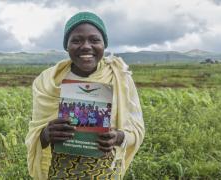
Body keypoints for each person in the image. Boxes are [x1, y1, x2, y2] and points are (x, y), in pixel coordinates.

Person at [25, 11, 145, 179]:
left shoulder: (120, 77)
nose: (86, 46)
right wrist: (46, 134)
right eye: (76, 40)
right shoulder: (48, 81)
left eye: (95, 40)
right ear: (66, 45)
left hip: (105, 172)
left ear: (104, 45)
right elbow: (35, 134)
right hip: (61, 172)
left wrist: (118, 137)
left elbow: (136, 129)